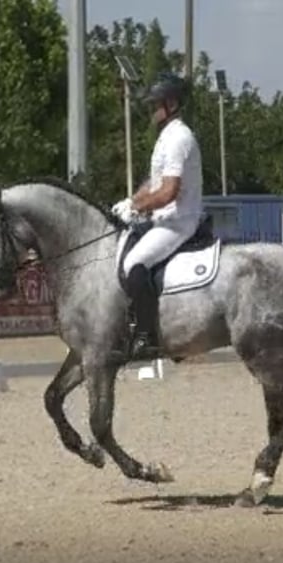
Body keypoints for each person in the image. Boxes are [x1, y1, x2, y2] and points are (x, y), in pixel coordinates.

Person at [111, 71, 204, 360]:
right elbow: (152, 185)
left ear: (172, 104)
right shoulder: (166, 137)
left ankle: (147, 336)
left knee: (134, 263)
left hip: (179, 221)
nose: (151, 110)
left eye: (156, 104)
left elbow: (168, 192)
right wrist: (129, 201)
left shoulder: (180, 138)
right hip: (162, 219)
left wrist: (138, 208)